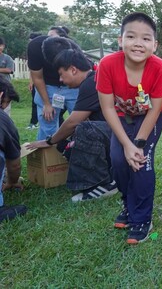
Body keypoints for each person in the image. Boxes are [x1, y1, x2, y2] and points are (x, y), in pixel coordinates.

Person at [97, 12, 162, 245]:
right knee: (118, 160)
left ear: (155, 45)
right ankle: (128, 203)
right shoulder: (107, 65)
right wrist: (126, 145)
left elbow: (155, 108)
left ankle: (142, 218)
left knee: (141, 161)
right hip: (121, 115)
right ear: (120, 40)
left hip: (152, 115)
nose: (138, 43)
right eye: (131, 36)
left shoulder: (159, 68)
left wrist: (137, 144)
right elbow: (108, 108)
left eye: (146, 39)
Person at [27, 38, 117, 203]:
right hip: (113, 134)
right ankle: (112, 173)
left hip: (120, 135)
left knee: (83, 129)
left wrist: (49, 141)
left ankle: (103, 184)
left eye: (61, 74)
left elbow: (73, 122)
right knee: (65, 142)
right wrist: (57, 141)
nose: (60, 80)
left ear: (73, 70)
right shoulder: (91, 80)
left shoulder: (91, 83)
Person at [27, 34, 79, 140]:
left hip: (71, 86)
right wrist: (47, 104)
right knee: (47, 123)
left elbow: (81, 75)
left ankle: (77, 150)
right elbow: (37, 78)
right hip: (48, 86)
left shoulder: (73, 49)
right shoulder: (35, 47)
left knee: (81, 122)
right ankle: (47, 154)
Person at [0, 78, 27, 223]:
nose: (4, 108)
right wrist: (12, 181)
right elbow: (14, 164)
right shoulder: (4, 121)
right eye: (6, 103)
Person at [26, 33, 41, 130]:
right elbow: (32, 70)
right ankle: (33, 122)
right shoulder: (32, 53)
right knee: (35, 102)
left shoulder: (44, 51)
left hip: (46, 82)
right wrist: (31, 82)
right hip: (36, 82)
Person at [0, 38, 15, 116]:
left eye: (0, 45)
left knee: (6, 109)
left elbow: (9, 70)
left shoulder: (7, 58)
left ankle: (5, 124)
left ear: (3, 46)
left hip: (5, 86)